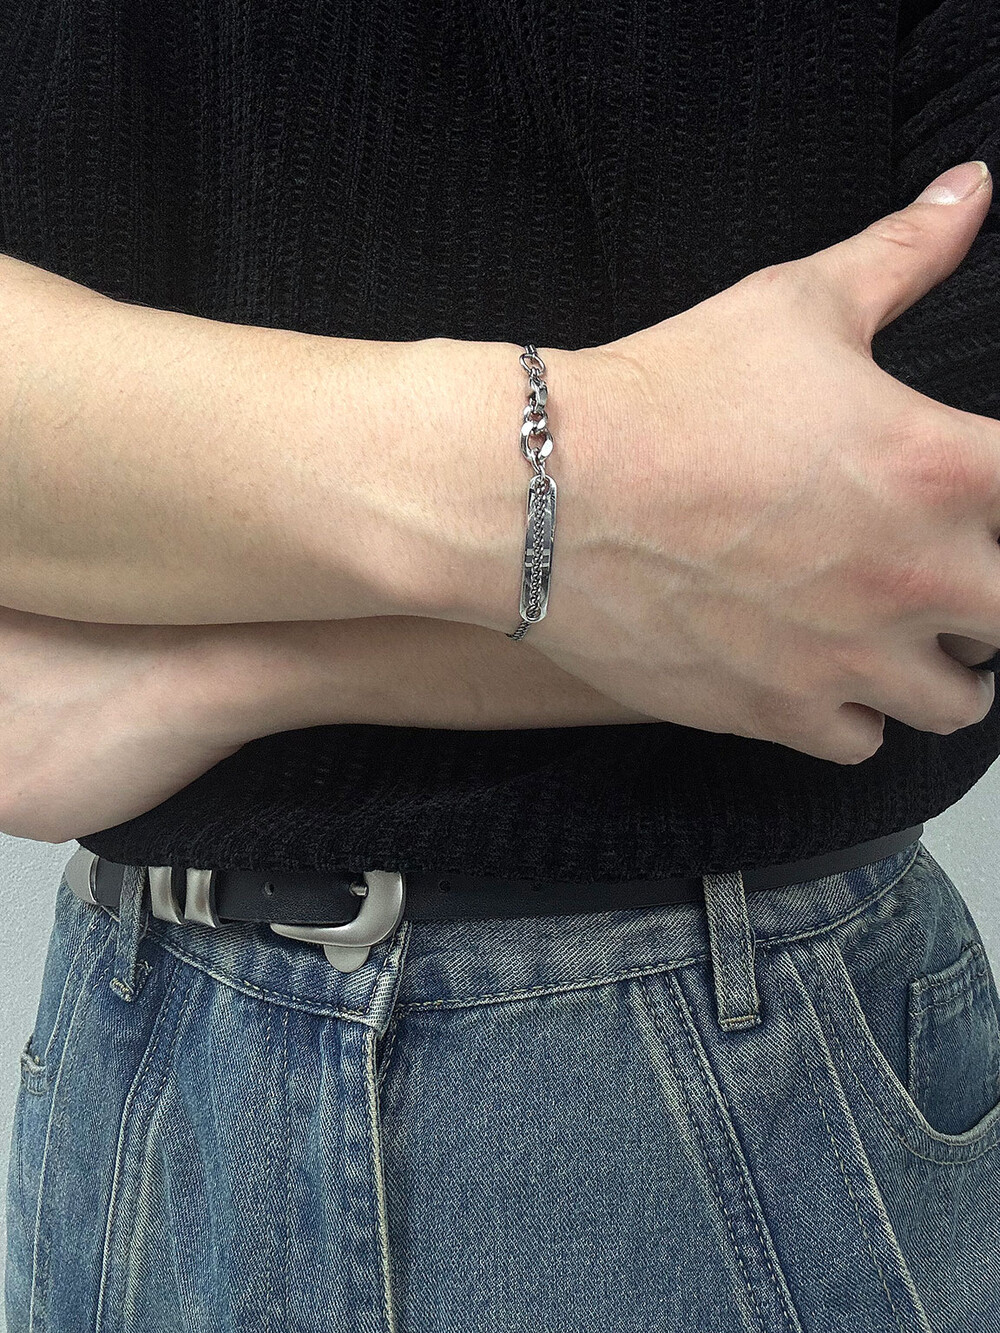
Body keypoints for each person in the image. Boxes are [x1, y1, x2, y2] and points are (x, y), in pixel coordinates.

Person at [2, 0, 999, 1327]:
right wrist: (608, 492)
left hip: (708, 1071)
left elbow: (943, 510)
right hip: (138, 1063)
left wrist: (205, 676)